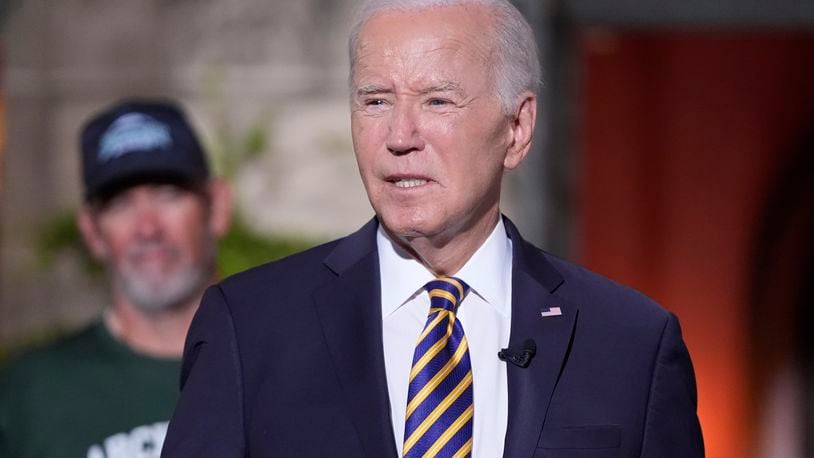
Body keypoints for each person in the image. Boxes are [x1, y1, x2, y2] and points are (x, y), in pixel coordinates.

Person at [162, 0, 704, 456]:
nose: (400, 135)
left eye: (437, 101)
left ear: (517, 129)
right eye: (375, 101)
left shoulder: (631, 344)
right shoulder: (250, 328)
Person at [0, 99, 232, 458]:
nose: (148, 227)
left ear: (217, 208)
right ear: (92, 232)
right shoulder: (27, 397)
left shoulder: (291, 365)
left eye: (168, 194)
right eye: (120, 203)